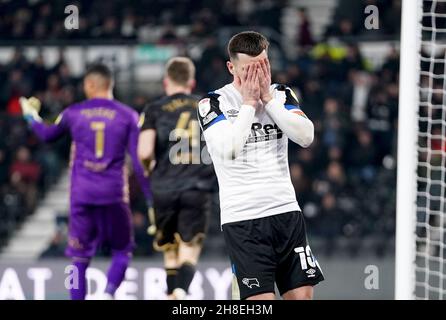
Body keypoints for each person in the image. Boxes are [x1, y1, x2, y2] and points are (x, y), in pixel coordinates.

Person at [197, 31, 324, 300]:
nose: (256, 76)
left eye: (262, 66)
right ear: (231, 67)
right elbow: (228, 149)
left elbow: (305, 136)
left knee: (302, 297)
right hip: (244, 220)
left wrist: (267, 100)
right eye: (248, 69)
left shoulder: (281, 94)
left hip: (286, 211)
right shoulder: (213, 102)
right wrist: (249, 104)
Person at [19, 64, 151, 300]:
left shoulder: (73, 112)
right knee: (122, 251)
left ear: (90, 84)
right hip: (113, 194)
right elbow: (140, 162)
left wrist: (31, 116)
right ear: (110, 84)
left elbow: (46, 135)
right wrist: (150, 198)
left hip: (82, 194)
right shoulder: (128, 115)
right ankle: (108, 294)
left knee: (79, 257)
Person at [138, 57, 215, 300]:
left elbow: (144, 152)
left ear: (165, 81)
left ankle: (173, 293)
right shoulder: (206, 106)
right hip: (197, 186)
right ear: (191, 82)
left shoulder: (154, 109)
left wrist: (149, 168)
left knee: (170, 249)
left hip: (164, 187)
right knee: (189, 248)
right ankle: (181, 290)